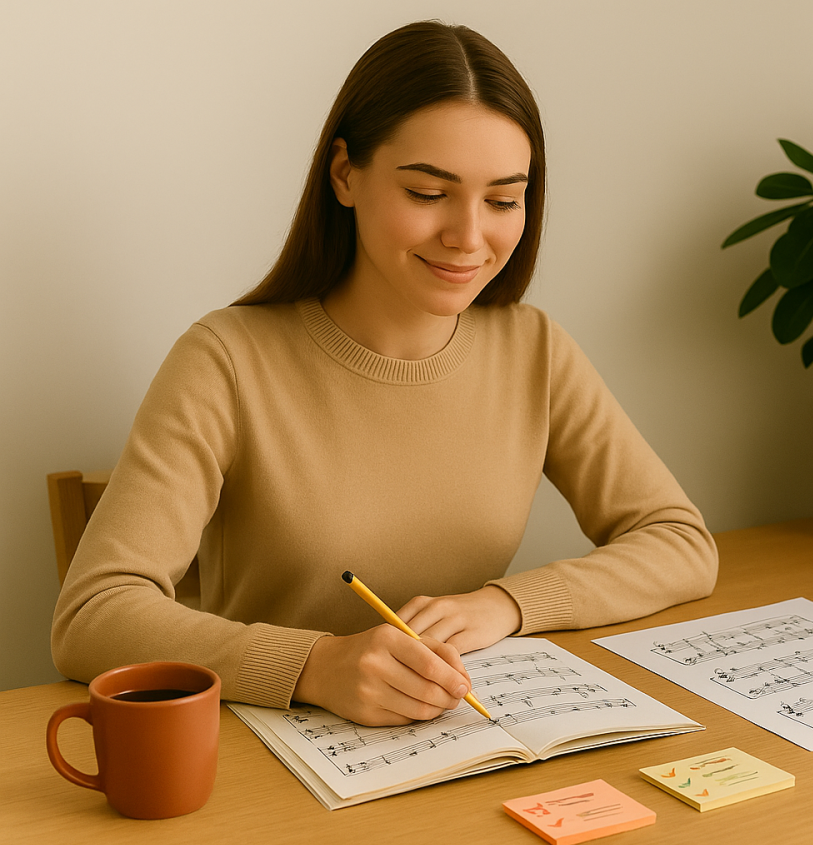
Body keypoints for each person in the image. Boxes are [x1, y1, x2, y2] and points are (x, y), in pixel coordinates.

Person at [51, 21, 717, 727]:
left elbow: (679, 541)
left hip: (458, 747)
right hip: (272, 764)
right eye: (429, 192)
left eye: (502, 200)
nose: (468, 236)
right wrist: (314, 664)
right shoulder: (226, 358)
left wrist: (505, 605)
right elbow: (92, 614)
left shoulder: (534, 348)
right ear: (345, 174)